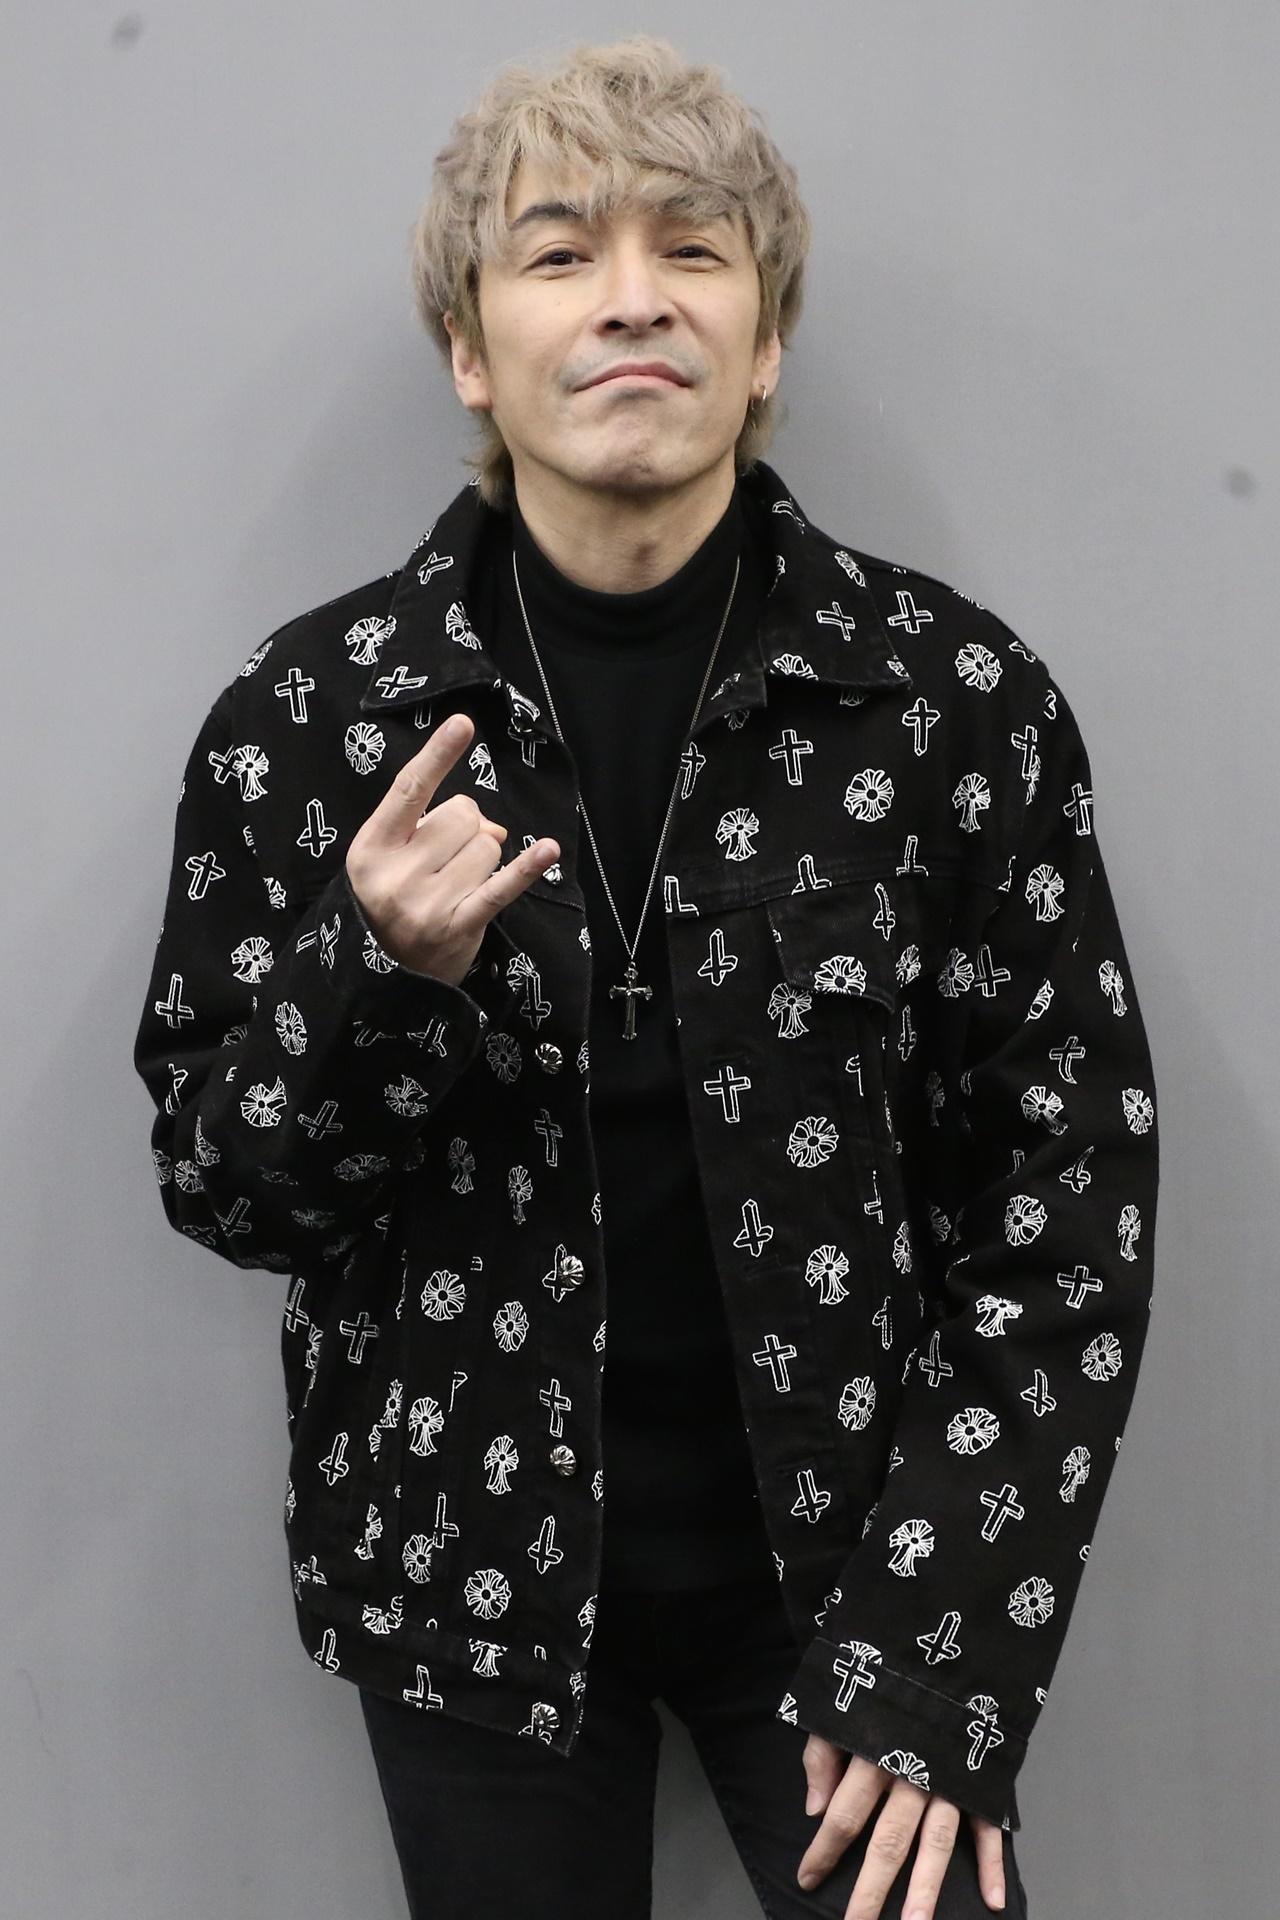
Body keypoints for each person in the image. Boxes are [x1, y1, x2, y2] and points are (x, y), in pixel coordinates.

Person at [133, 34, 1158, 1920]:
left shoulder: (952, 703)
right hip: (465, 1582)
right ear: (470, 346)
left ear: (764, 342)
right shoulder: (314, 719)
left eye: (693, 249)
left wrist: (942, 1645)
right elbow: (223, 1187)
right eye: (559, 252)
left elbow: (1070, 1195)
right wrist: (380, 978)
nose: (632, 299)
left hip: (856, 1574)